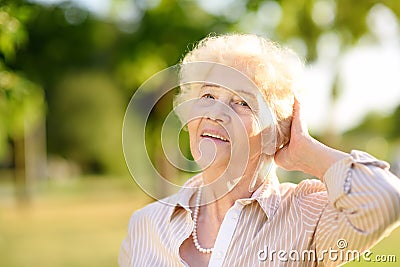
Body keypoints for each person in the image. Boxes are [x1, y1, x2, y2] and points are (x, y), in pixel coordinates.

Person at [118, 33, 400, 267]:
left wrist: (307, 152)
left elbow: (386, 200)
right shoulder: (146, 224)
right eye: (208, 95)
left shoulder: (307, 215)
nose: (216, 113)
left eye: (242, 102)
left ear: (276, 131)